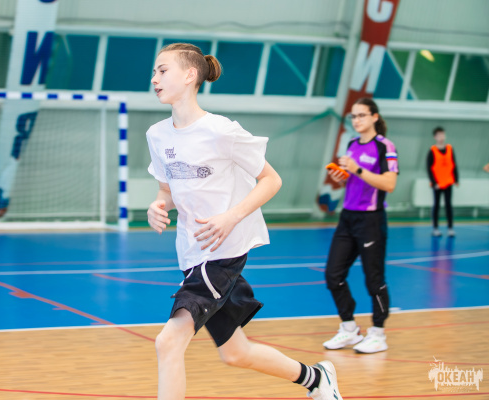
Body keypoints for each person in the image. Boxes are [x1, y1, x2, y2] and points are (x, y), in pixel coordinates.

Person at [146, 43, 342, 400]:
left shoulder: (221, 131)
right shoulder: (157, 135)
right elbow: (167, 190)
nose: (154, 78)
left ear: (190, 75)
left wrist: (230, 217)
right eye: (154, 72)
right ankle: (316, 379)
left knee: (167, 342)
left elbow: (271, 180)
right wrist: (157, 205)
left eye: (162, 70)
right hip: (191, 252)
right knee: (236, 352)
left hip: (222, 253)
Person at [323, 98, 398, 354]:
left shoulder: (385, 146)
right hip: (348, 218)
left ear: (375, 117)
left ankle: (378, 333)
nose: (357, 120)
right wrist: (341, 177)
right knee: (333, 275)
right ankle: (349, 329)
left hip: (371, 220)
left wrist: (358, 170)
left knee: (374, 279)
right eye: (353, 116)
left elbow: (389, 184)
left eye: (362, 115)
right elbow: (352, 180)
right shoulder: (352, 144)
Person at [427, 127, 458, 237]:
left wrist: (456, 179)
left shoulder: (450, 148)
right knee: (436, 205)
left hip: (448, 182)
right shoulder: (432, 151)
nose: (441, 137)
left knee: (448, 205)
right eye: (439, 135)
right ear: (435, 137)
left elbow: (454, 164)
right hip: (437, 184)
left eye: (443, 135)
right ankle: (435, 228)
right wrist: (434, 182)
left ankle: (450, 228)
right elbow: (429, 168)